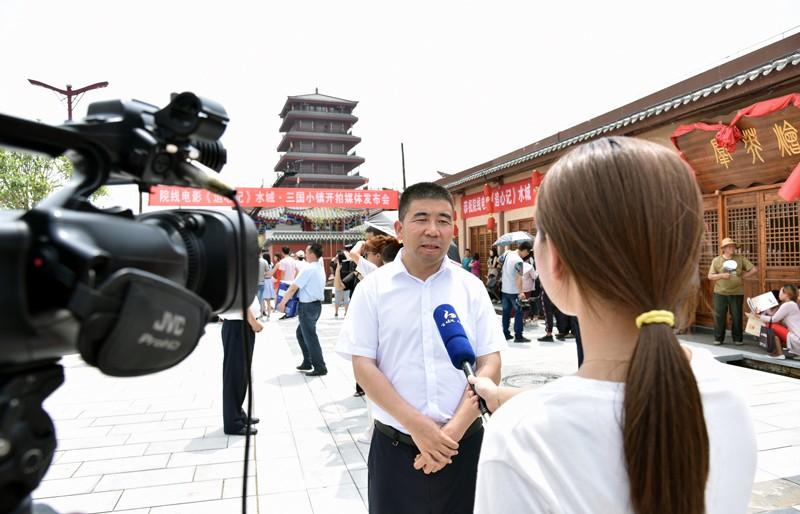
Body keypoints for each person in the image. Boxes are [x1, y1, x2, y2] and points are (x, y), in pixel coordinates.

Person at [469, 137, 756, 514]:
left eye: (538, 232)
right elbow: (620, 406)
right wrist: (510, 397)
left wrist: (523, 407)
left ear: (554, 258)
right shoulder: (728, 393)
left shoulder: (521, 440)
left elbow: (597, 412)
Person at [336, 182, 503, 514]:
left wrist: (450, 433)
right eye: (421, 218)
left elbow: (490, 362)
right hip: (397, 450)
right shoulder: (373, 290)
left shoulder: (470, 287)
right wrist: (417, 425)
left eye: (443, 220)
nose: (433, 229)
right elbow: (364, 367)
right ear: (399, 228)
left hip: (465, 446)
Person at [278, 243, 327, 376]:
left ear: (311, 254)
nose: (305, 254)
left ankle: (320, 366)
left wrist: (283, 302)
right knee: (301, 334)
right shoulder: (319, 267)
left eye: (306, 252)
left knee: (310, 337)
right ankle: (308, 361)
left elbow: (294, 287)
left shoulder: (308, 269)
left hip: (308, 307)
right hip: (316, 306)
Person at [220, 296, 263, 436]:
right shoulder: (236, 273)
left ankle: (237, 413)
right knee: (235, 375)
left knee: (241, 374)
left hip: (240, 325)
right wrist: (254, 323)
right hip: (238, 325)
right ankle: (233, 423)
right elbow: (240, 301)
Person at [708, 237, 757, 345]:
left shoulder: (740, 258)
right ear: (724, 249)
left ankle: (737, 339)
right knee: (720, 315)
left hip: (737, 292)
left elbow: (753, 269)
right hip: (720, 292)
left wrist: (744, 276)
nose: (732, 248)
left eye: (733, 246)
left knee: (736, 315)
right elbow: (710, 276)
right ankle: (718, 338)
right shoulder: (716, 260)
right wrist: (721, 275)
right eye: (729, 246)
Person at [751, 284, 800, 359]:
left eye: (780, 291)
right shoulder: (792, 304)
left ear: (786, 294)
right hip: (796, 337)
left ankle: (779, 353)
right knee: (773, 325)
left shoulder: (788, 305)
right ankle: (778, 352)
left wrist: (758, 316)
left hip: (797, 339)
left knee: (770, 325)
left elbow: (773, 319)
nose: (779, 294)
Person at [500, 242, 533, 342]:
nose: (527, 255)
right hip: (514, 291)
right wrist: (521, 292)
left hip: (505, 289)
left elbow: (499, 260)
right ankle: (518, 336)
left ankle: (505, 334)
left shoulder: (508, 253)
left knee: (506, 313)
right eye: (527, 253)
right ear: (524, 250)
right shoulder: (519, 261)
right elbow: (519, 278)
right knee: (519, 312)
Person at [332, 252, 351, 318]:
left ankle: (339, 312)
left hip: (340, 283)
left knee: (341, 299)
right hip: (345, 283)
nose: (336, 258)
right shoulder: (347, 264)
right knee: (345, 299)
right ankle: (340, 312)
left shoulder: (336, 265)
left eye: (337, 257)